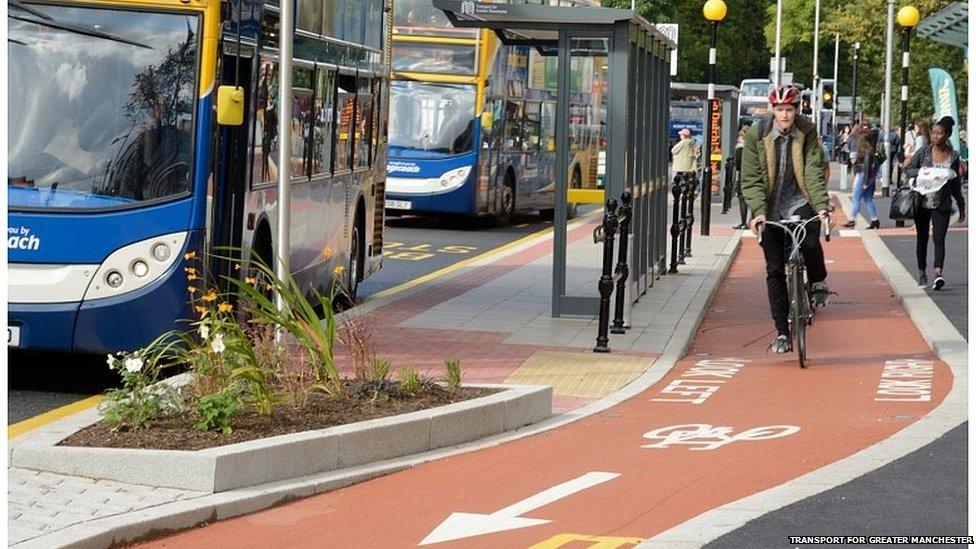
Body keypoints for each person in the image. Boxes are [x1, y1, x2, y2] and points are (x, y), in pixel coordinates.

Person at [740, 83, 832, 354]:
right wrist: (757, 213)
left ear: (797, 109)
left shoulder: (807, 130)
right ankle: (782, 331)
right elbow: (751, 179)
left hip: (799, 200)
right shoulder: (758, 133)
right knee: (774, 270)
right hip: (770, 208)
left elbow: (813, 172)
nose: (784, 116)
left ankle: (818, 281)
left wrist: (822, 207)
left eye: (789, 110)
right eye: (780, 110)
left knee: (811, 243)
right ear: (773, 110)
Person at [904, 116, 966, 290]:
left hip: (942, 202)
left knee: (939, 239)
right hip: (922, 201)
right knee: (922, 238)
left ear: (947, 136)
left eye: (940, 134)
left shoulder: (953, 156)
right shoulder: (924, 151)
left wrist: (961, 205)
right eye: (934, 133)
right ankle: (922, 273)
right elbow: (908, 170)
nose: (935, 136)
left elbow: (955, 183)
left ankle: (938, 274)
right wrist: (923, 171)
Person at [843, 126, 881, 229]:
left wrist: (865, 182)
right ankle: (874, 219)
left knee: (856, 198)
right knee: (868, 199)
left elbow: (866, 166)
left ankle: (852, 219)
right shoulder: (871, 150)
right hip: (870, 176)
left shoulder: (865, 151)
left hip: (863, 175)